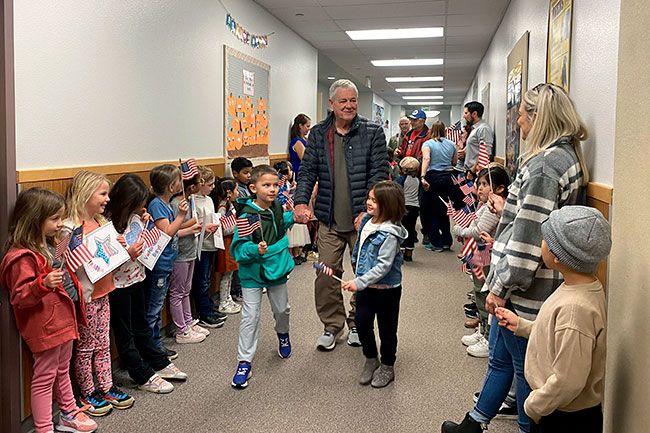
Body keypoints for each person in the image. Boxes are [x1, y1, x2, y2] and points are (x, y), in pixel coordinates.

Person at [442, 83, 590, 433]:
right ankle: (474, 422)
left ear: (539, 118)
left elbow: (527, 236)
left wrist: (501, 285)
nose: (519, 123)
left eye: (522, 115)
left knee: (525, 367)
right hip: (529, 282)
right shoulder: (561, 157)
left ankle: (525, 427)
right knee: (502, 358)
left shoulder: (545, 166)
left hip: (525, 287)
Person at [496, 206, 610, 433]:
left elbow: (569, 381)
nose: (541, 243)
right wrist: (523, 327)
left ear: (558, 256)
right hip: (559, 407)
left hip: (563, 415)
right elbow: (559, 337)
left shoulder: (575, 309)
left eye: (545, 239)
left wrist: (534, 405)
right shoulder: (579, 288)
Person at [293, 78, 388, 351]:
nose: (349, 106)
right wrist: (301, 202)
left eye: (353, 101)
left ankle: (357, 322)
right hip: (329, 219)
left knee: (365, 275)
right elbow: (308, 171)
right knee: (326, 276)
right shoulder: (320, 133)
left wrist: (367, 212)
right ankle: (332, 325)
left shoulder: (372, 132)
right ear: (331, 104)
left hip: (364, 221)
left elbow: (379, 174)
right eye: (343, 101)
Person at [0, 188, 98, 433]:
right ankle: (44, 428)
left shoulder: (48, 246)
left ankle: (67, 412)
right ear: (35, 219)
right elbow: (20, 296)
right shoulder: (21, 257)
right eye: (54, 218)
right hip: (45, 326)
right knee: (44, 378)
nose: (59, 224)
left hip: (63, 320)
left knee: (62, 369)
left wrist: (67, 241)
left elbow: (60, 262)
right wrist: (41, 284)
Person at [105, 174, 187, 394]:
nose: (142, 206)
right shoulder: (107, 224)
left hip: (137, 277)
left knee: (141, 325)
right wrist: (127, 253)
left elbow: (139, 238)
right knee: (125, 333)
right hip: (117, 285)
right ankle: (141, 374)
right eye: (138, 203)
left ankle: (157, 362)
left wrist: (142, 220)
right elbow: (104, 259)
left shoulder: (134, 217)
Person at [65, 171, 134, 415]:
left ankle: (106, 385)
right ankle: (87, 390)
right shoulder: (71, 229)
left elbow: (110, 259)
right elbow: (69, 265)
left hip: (104, 291)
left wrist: (121, 248)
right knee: (86, 347)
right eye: (102, 194)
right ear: (85, 194)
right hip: (86, 297)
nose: (107, 199)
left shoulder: (102, 224)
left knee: (103, 342)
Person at [230, 165, 296, 389]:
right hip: (251, 273)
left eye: (275, 185)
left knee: (282, 309)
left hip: (276, 269)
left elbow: (279, 223)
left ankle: (283, 334)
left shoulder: (276, 206)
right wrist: (254, 250)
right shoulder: (247, 215)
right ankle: (244, 361)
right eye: (266, 185)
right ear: (253, 187)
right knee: (251, 316)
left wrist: (296, 215)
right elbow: (238, 249)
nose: (272, 189)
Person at [342, 181, 407, 388]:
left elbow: (383, 266)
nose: (368, 203)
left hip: (387, 290)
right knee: (361, 324)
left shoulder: (390, 233)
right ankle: (371, 358)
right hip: (366, 288)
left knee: (387, 330)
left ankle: (387, 365)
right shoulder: (365, 222)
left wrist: (359, 282)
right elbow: (360, 249)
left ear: (387, 205)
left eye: (374, 201)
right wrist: (356, 270)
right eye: (369, 198)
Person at [453, 165, 510, 358]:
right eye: (478, 184)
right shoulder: (484, 205)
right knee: (478, 294)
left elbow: (478, 230)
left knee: (484, 294)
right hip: (480, 255)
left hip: (487, 256)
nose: (479, 189)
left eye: (485, 184)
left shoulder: (495, 206)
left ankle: (487, 336)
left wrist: (459, 231)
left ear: (499, 188)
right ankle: (483, 330)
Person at [146, 164, 188, 359]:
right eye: (179, 181)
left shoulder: (164, 203)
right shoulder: (156, 205)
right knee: (153, 309)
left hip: (167, 262)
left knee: (158, 306)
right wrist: (181, 216)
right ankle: (153, 347)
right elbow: (167, 232)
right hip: (159, 265)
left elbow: (174, 231)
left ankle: (155, 345)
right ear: (172, 186)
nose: (182, 183)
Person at [192, 166, 237, 320]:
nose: (212, 188)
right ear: (200, 184)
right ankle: (203, 311)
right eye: (209, 185)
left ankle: (208, 307)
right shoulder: (193, 201)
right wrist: (206, 227)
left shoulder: (209, 200)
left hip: (212, 244)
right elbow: (195, 224)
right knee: (202, 280)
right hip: (201, 246)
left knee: (207, 279)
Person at [169, 172, 209, 344]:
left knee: (186, 290)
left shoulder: (190, 200)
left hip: (191, 250)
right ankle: (181, 330)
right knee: (177, 292)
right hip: (180, 254)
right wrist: (193, 224)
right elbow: (172, 230)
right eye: (199, 181)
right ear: (191, 186)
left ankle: (188, 322)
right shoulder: (175, 204)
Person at [420, 121, 459, 252]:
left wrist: (423, 176)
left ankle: (436, 243)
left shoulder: (428, 144)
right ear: (445, 131)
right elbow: (454, 162)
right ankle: (447, 241)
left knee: (431, 211)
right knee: (443, 210)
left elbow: (426, 159)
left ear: (431, 131)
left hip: (433, 178)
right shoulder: (452, 144)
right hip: (448, 178)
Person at [211, 177, 241, 314]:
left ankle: (227, 298)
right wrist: (237, 227)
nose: (238, 192)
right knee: (227, 274)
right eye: (236, 189)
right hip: (226, 243)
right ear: (229, 192)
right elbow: (222, 228)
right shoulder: (223, 207)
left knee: (230, 273)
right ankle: (223, 302)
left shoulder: (230, 204)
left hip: (231, 241)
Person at [274, 160, 310, 265]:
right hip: (285, 208)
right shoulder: (280, 184)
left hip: (291, 209)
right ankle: (291, 256)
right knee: (289, 236)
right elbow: (281, 196)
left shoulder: (288, 183)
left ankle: (297, 254)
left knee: (297, 233)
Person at [230, 156, 253, 302]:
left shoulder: (249, 187)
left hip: (250, 225)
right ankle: (238, 289)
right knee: (240, 261)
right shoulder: (236, 190)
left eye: (250, 172)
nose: (249, 175)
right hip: (241, 227)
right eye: (245, 173)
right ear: (235, 173)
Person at [395, 157, 420, 262]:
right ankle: (409, 253)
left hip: (404, 206)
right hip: (415, 207)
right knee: (411, 228)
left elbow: (397, 192)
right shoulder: (417, 180)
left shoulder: (401, 180)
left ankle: (401, 251)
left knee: (401, 228)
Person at [463, 101, 494, 177]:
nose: (464, 116)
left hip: (475, 173)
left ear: (474, 114)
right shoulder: (474, 129)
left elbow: (486, 153)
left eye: (466, 113)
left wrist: (472, 171)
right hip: (469, 170)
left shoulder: (483, 129)